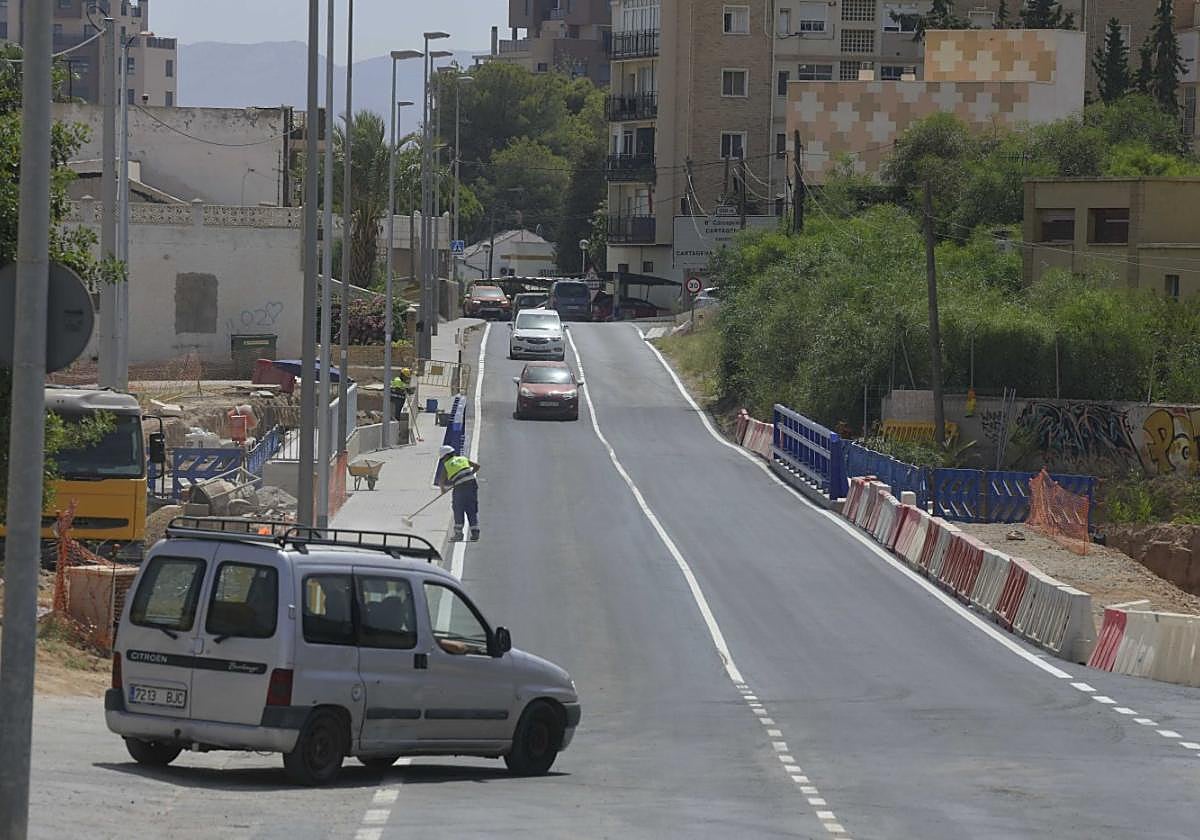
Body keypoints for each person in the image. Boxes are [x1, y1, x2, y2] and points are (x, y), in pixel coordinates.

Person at [435, 444, 481, 542]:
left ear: (446, 456)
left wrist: (443, 490)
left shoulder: (447, 465)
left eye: (443, 458)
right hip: (472, 485)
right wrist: (469, 474)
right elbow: (477, 466)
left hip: (460, 489)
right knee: (471, 508)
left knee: (458, 509)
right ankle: (475, 532)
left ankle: (458, 534)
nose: (443, 460)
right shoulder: (462, 459)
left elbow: (441, 481)